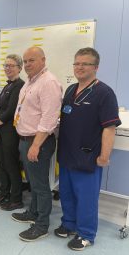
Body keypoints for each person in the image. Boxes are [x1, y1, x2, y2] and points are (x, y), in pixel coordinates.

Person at [55, 47, 121, 251]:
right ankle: (69, 224)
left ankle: (86, 234)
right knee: (65, 192)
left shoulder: (104, 93)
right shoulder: (70, 90)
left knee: (86, 198)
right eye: (77, 63)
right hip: (66, 153)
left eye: (85, 63)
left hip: (88, 155)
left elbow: (109, 128)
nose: (80, 67)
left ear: (96, 67)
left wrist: (104, 155)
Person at [11, 47, 62, 242]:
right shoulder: (32, 82)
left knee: (41, 185)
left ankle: (41, 225)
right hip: (26, 139)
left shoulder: (48, 82)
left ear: (43, 60)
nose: (27, 65)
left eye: (31, 60)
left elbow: (49, 119)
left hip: (37, 141)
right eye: (25, 61)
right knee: (32, 181)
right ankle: (33, 212)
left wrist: (35, 145)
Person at [0, 54, 25, 211]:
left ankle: (16, 199)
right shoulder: (7, 85)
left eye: (11, 66)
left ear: (19, 68)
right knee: (2, 164)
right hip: (1, 130)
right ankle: (4, 193)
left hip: (11, 132)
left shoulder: (20, 85)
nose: (7, 68)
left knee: (11, 165)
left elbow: (10, 111)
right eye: (6, 65)